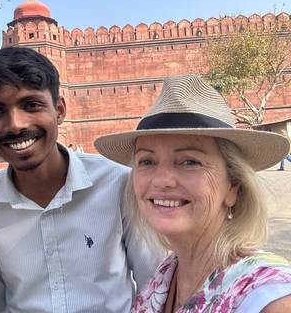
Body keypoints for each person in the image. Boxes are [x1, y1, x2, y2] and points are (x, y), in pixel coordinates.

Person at [0, 46, 162, 312]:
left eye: (31, 105)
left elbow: (155, 284)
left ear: (59, 109)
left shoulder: (118, 184)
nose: (15, 125)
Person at [95, 74, 291, 313]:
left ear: (233, 186)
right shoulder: (168, 273)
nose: (162, 180)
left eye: (189, 161)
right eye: (147, 161)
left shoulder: (268, 298)